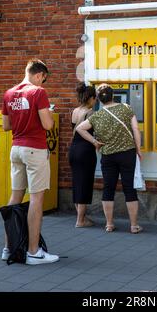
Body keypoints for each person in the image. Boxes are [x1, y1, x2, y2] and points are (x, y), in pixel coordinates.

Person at [1, 58, 59, 265]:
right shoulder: (38, 92)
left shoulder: (9, 93)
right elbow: (47, 124)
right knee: (36, 199)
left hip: (16, 149)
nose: (43, 83)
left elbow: (5, 126)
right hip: (34, 149)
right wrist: (49, 114)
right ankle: (33, 252)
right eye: (43, 79)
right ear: (39, 74)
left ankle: (9, 248)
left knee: (15, 197)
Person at [77, 83, 143, 234]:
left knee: (108, 189)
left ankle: (109, 224)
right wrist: (138, 150)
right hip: (127, 153)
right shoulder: (126, 108)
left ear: (99, 99)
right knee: (129, 188)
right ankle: (133, 225)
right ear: (113, 95)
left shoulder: (97, 116)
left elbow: (80, 128)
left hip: (108, 156)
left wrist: (95, 142)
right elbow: (135, 129)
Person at [68, 83, 97, 227]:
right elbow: (90, 132)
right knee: (84, 184)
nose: (96, 101)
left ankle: (82, 218)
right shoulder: (90, 112)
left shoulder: (74, 111)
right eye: (95, 98)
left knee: (77, 183)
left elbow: (74, 129)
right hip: (85, 150)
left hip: (74, 149)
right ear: (91, 98)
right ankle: (80, 220)